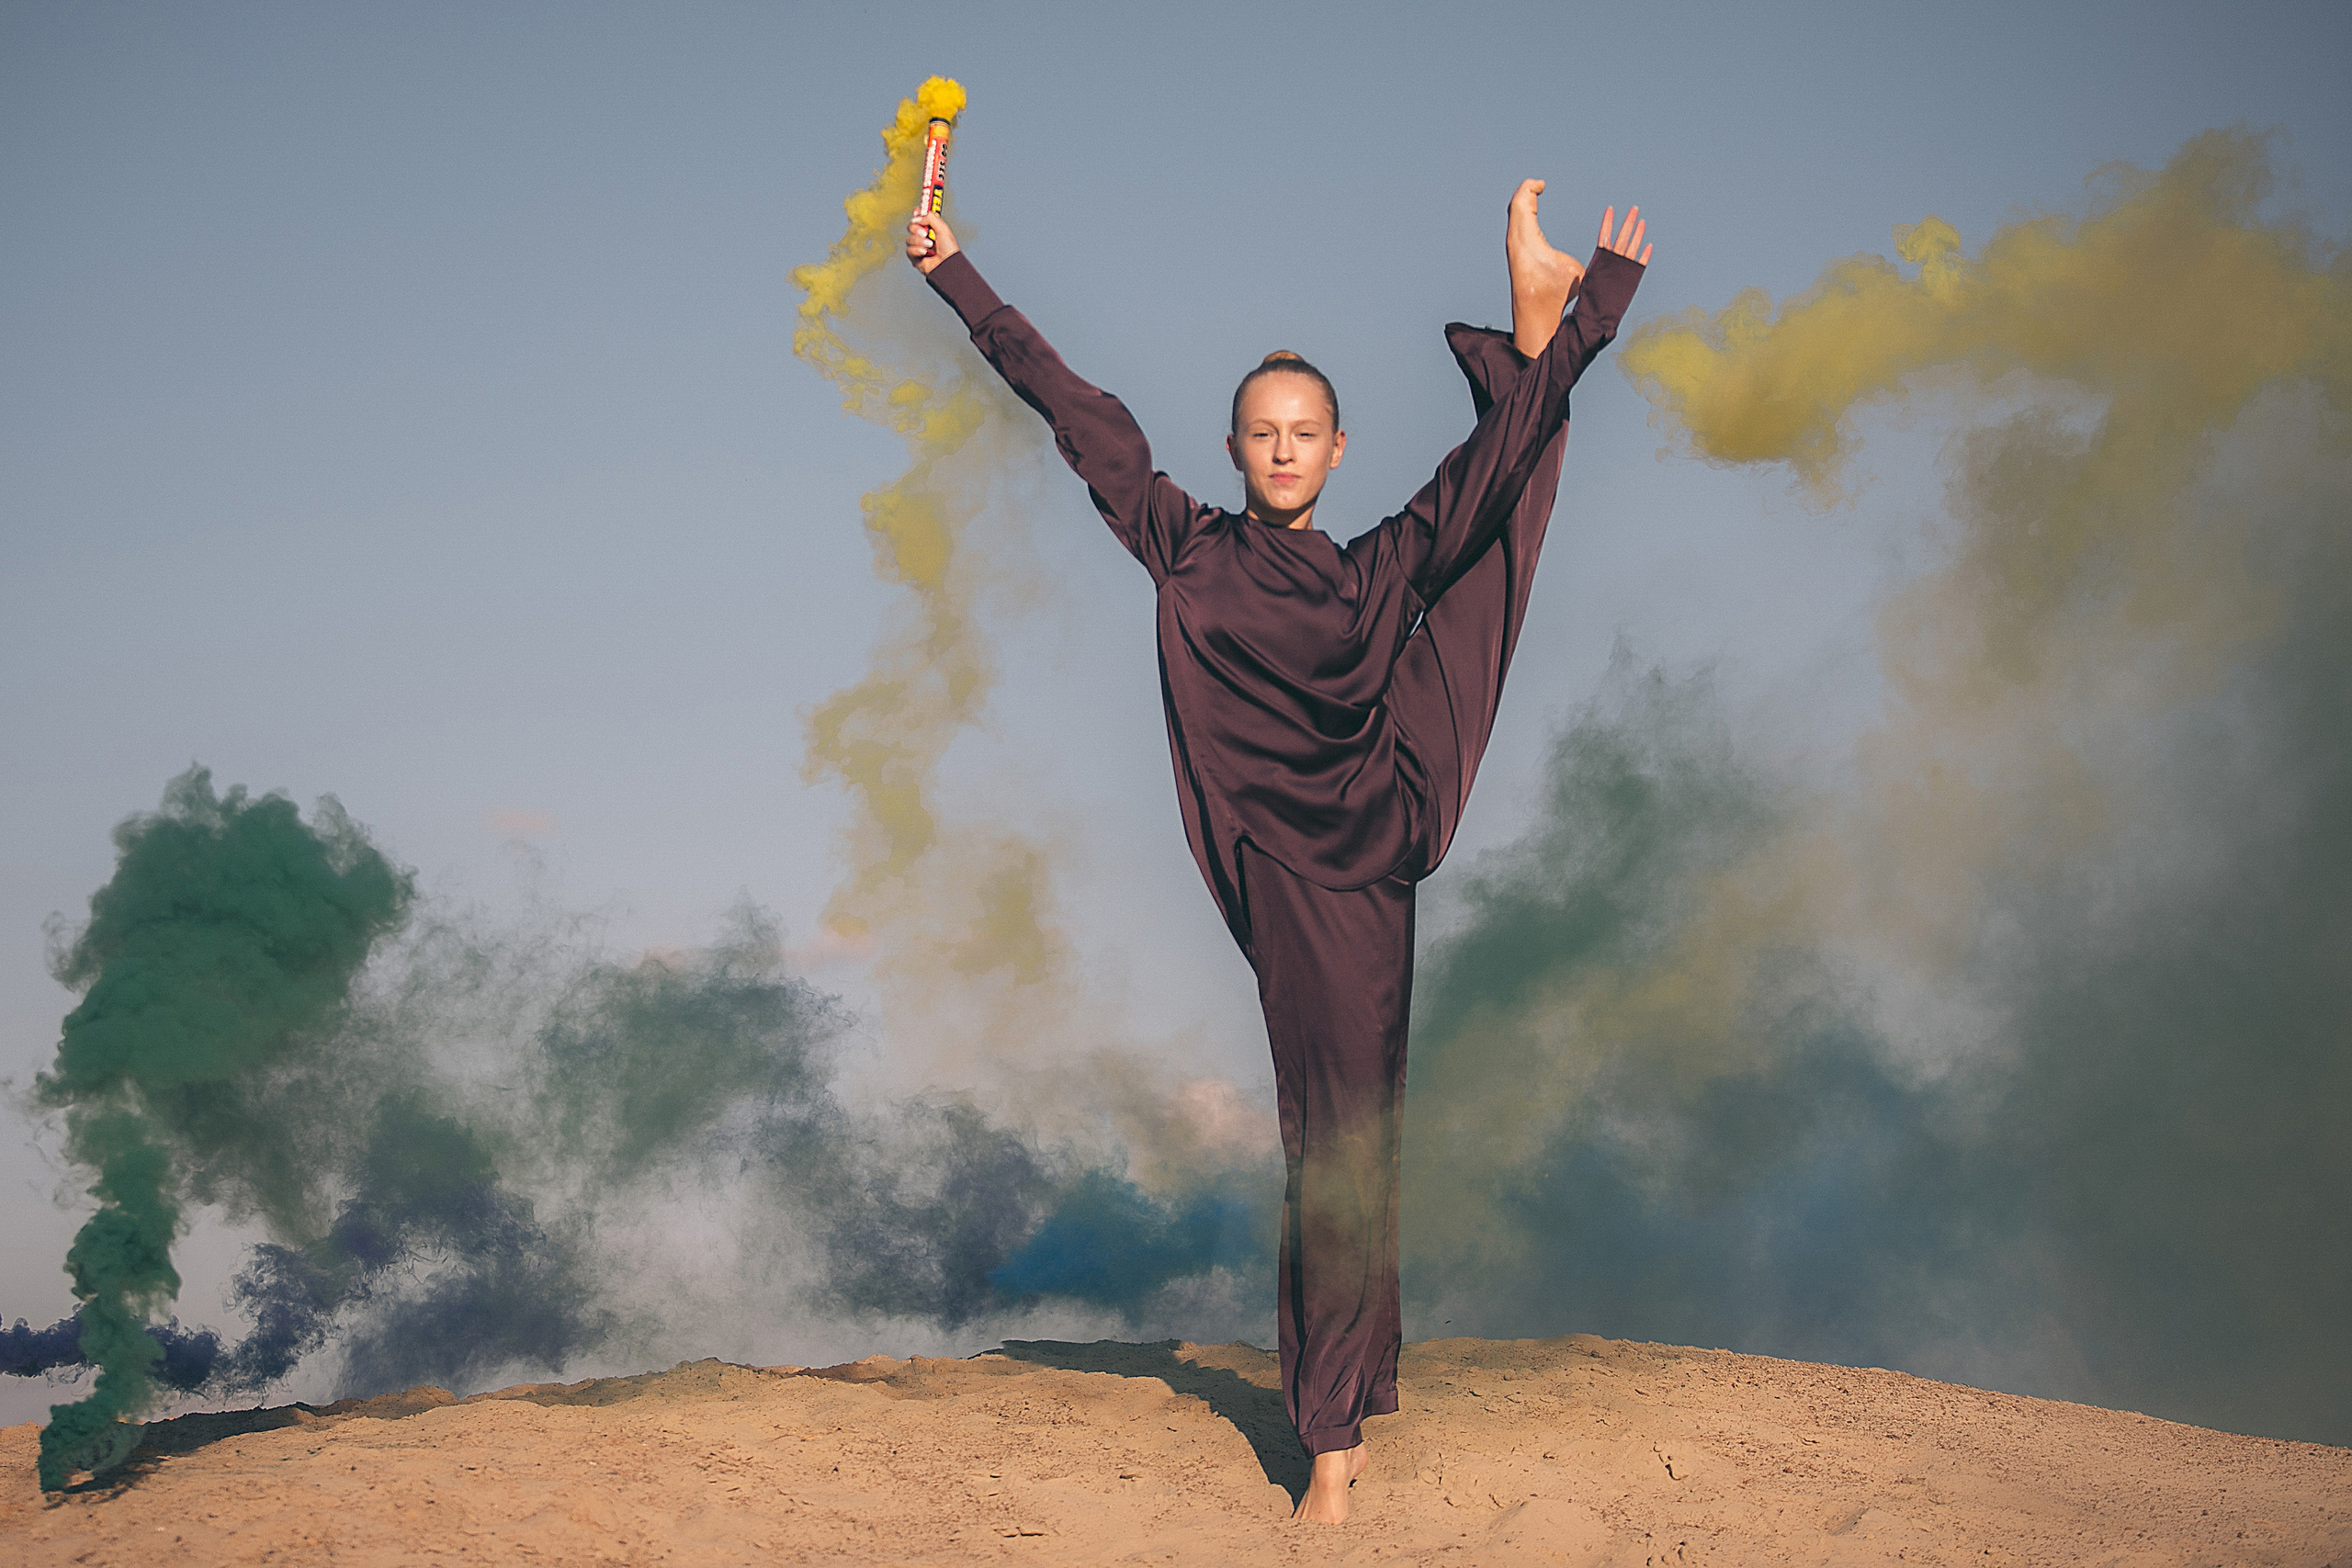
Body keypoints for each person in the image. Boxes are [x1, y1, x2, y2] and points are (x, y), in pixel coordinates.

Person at [907, 183, 1649, 1525]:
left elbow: (1480, 485)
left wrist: (1592, 320)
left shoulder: (1374, 570)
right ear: (1235, 448)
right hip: (1292, 880)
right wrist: (957, 273)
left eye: (1306, 432)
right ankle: (1341, 1410)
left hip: (1371, 863)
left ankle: (1331, 1438)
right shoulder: (1184, 546)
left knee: (1346, 1137)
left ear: (1338, 449)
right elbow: (1076, 413)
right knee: (1341, 1135)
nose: (1285, 449)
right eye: (1264, 432)